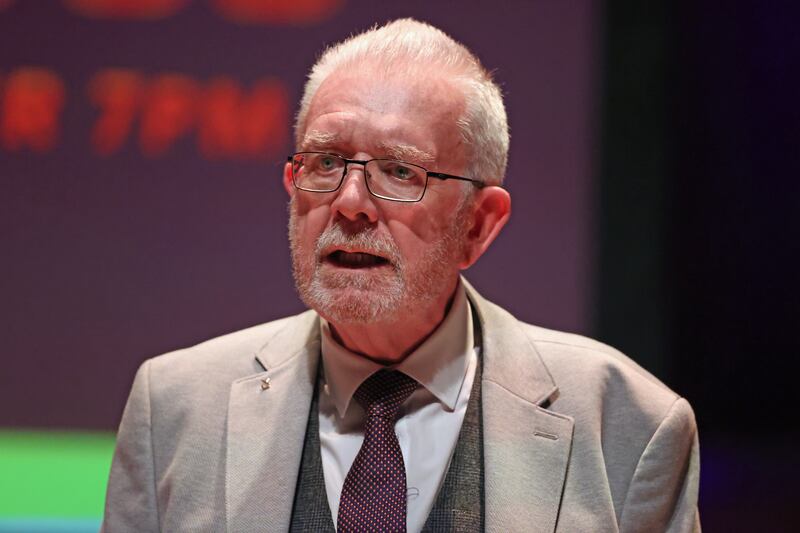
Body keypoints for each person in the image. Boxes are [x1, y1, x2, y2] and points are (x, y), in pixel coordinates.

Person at [102, 18, 699, 533]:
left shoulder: (629, 426)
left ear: (479, 224)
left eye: (399, 171)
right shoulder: (175, 409)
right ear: (292, 187)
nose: (350, 202)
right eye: (326, 162)